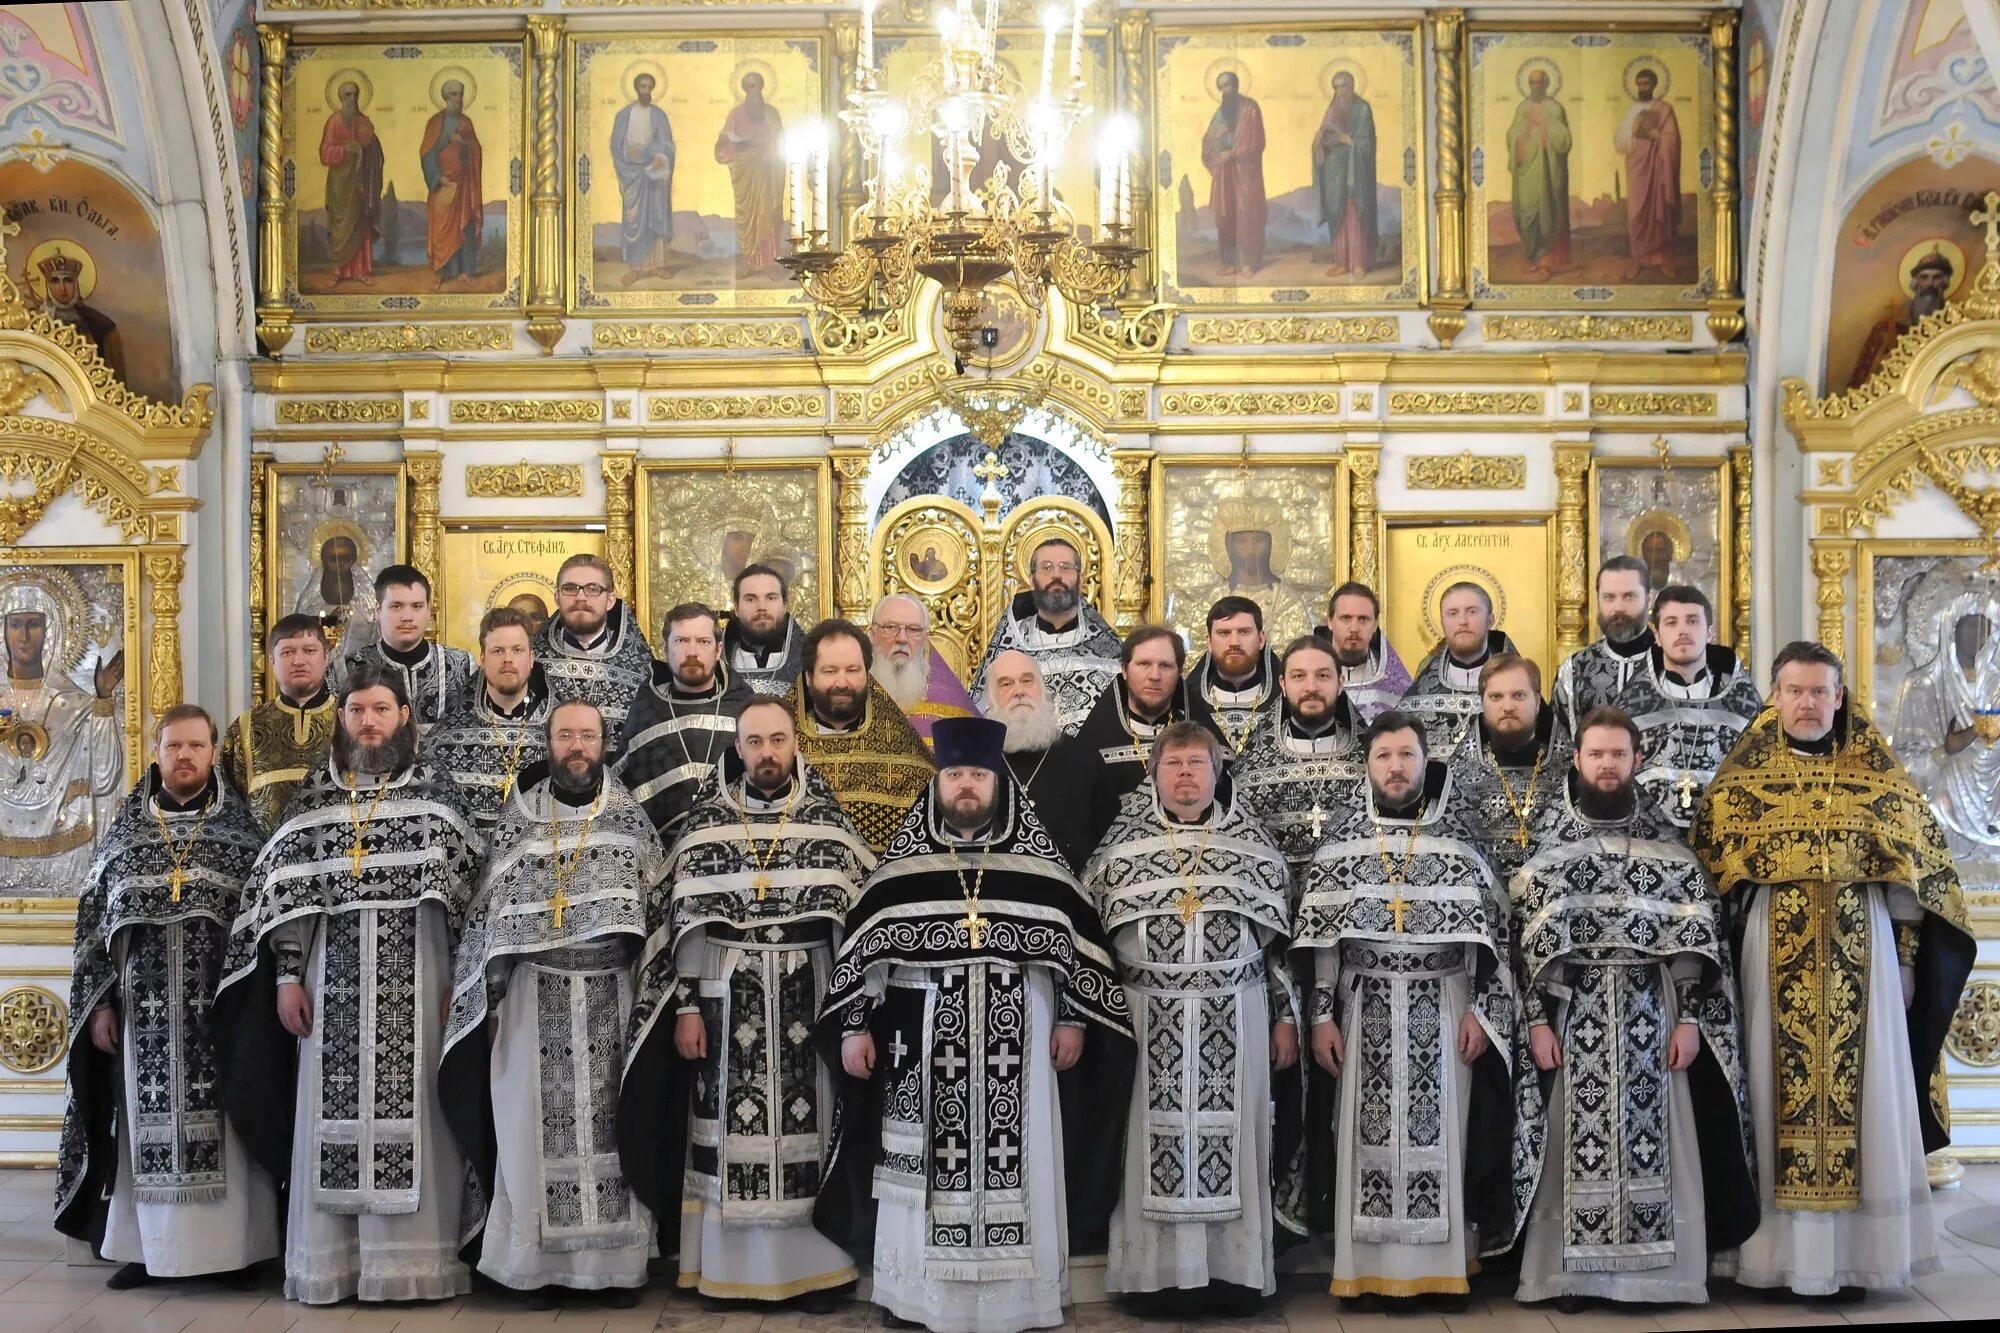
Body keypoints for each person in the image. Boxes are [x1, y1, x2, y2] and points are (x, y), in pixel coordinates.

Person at [813, 716, 1134, 1333]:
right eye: (955, 774)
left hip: (1022, 1046)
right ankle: (917, 1302)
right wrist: (854, 1026)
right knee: (921, 1183)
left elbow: (1077, 954)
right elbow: (863, 957)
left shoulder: (1041, 871)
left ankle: (1020, 1302)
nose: (966, 786)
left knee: (1027, 1164)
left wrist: (1073, 1018)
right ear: (938, 784)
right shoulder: (900, 873)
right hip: (923, 1050)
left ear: (999, 783)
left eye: (978, 776)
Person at [1691, 642, 1974, 1299]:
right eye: (1794, 690)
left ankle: (1857, 1259)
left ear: (1840, 696)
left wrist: (1906, 960)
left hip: (1865, 960)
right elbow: (1708, 880)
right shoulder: (1739, 782)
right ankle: (1773, 1258)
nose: (1808, 702)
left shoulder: (1877, 776)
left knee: (1867, 1093)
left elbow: (1915, 878)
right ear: (1775, 696)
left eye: (1820, 691)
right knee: (1765, 1094)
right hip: (1769, 962)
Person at [211, 661, 483, 1304]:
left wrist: (460, 985)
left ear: (404, 718)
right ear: (341, 718)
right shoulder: (313, 804)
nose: (368, 722)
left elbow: (472, 899)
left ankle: (411, 1266)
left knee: (422, 1112)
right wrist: (285, 978)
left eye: (381, 710)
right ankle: (334, 1264)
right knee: (325, 1117)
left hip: (422, 980)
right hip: (328, 987)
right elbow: (286, 903)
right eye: (357, 710)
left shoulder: (439, 799)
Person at [621, 696, 873, 1309]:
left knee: (811, 1126)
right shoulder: (706, 825)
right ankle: (729, 1272)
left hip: (809, 994)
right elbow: (681, 919)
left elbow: (860, 923)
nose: (767, 753)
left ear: (795, 744)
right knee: (725, 1129)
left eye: (778, 740)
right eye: (755, 742)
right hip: (724, 996)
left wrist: (853, 1016)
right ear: (738, 748)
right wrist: (683, 1007)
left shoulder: (829, 824)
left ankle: (816, 1267)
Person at [1508, 707, 1755, 1311]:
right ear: (1578, 759)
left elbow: (1695, 941)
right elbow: (1525, 940)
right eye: (1597, 754)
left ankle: (1656, 1277)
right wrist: (1538, 1021)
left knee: (1662, 1141)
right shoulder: (1549, 843)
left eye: (1619, 754)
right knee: (1571, 1142)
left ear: (1637, 759)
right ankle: (1574, 1278)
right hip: (1576, 1010)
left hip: (1653, 1007)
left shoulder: (1667, 846)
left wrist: (1692, 1019)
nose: (1608, 764)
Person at [440, 701, 665, 1309]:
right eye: (564, 735)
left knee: (610, 1132)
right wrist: (485, 1005)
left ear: (604, 742)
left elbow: (658, 915)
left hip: (610, 1001)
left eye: (587, 736)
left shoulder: (629, 821)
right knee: (529, 1135)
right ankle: (532, 1270)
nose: (576, 746)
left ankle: (613, 1271)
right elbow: (489, 920)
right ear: (548, 742)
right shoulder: (519, 823)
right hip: (531, 999)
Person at [1292, 710, 1514, 1311]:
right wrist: (1319, 1016)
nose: (1396, 767)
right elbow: (1322, 944)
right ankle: (1364, 1273)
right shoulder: (1341, 843)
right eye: (1384, 756)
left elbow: (1491, 940)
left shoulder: (1460, 839)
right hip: (1363, 1009)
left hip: (1444, 1005)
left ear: (1425, 761)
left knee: (1449, 1138)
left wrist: (1481, 1013)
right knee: (1362, 1139)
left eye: (1407, 756)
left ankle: (1444, 1271)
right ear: (1367, 765)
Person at [56, 706, 279, 1291]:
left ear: (212, 754)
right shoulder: (124, 839)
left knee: (228, 1126)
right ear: (156, 753)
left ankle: (237, 1251)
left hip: (221, 1016)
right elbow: (91, 927)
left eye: (196, 747)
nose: (185, 757)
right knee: (140, 1128)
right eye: (174, 746)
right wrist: (100, 1004)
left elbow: (264, 924)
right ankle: (148, 1249)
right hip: (141, 1016)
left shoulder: (243, 836)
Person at [1084, 723, 1301, 1314]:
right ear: (1154, 773)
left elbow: (1280, 947)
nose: (1185, 774)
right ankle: (1155, 1279)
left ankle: (1231, 1278)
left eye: (1197, 764)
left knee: (1237, 1139)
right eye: (1174, 763)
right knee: (1148, 1145)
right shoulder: (1117, 852)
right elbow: (1092, 947)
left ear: (1216, 772)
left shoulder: (1251, 849)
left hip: (1238, 1015)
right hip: (1145, 1020)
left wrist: (1286, 1018)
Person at [0, 573, 124, 894]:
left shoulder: (74, 704)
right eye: (15, 625)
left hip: (63, 840)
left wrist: (103, 700)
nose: (24, 636)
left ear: (50, 631)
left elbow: (105, 775)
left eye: (33, 624)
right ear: (2, 631)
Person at [1615, 585, 1763, 830]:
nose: (1683, 631)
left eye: (1692, 621)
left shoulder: (1742, 703)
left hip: (1724, 836)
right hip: (1652, 840)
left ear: (1709, 633)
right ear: (1658, 636)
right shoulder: (1632, 706)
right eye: (1671, 623)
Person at [786, 618, 934, 854]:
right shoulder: (780, 744)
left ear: (867, 674)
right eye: (830, 671)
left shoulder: (903, 750)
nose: (842, 682)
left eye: (853, 670)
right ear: (808, 677)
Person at [618, 601, 754, 839]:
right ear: (664, 648)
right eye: (681, 641)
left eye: (703, 641)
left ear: (718, 649)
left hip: (739, 844)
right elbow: (625, 795)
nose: (692, 652)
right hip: (662, 850)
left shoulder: (747, 708)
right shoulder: (643, 711)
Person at [1233, 635, 1363, 884]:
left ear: (1340, 683)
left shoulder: (1368, 762)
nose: (1311, 687)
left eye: (1323, 676)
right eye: (1298, 676)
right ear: (1282, 683)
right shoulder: (1250, 767)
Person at [973, 537, 1122, 736]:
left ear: (1081, 577)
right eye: (1046, 567)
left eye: (1065, 567)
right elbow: (980, 714)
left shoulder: (1108, 650)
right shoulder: (1009, 645)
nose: (1056, 575)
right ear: (1032, 580)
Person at [422, 607, 552, 834]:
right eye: (498, 651)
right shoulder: (447, 738)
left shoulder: (558, 730)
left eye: (517, 650)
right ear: (482, 658)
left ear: (531, 659)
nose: (508, 659)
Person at [983, 648, 1107, 873]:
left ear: (1042, 690)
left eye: (1027, 681)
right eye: (1005, 684)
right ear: (990, 699)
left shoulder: (1082, 757)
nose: (1018, 691)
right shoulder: (978, 761)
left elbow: (1107, 842)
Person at [1448, 654, 1567, 883]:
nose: (1508, 706)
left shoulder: (1568, 772)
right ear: (1482, 704)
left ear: (1538, 702)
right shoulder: (1456, 777)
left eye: (1519, 696)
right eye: (1496, 697)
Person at [1072, 624, 1208, 811]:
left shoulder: (1203, 740)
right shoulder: (1092, 743)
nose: (1154, 676)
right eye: (1144, 664)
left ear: (1179, 673)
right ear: (1125, 670)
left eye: (1165, 666)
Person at [222, 614, 337, 833]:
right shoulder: (245, 728)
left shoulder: (350, 720)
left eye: (309, 651)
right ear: (271, 661)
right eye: (287, 652)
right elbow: (228, 806)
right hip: (266, 859)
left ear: (326, 657)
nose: (298, 660)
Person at [331, 564, 474, 732]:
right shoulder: (347, 669)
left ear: (429, 610)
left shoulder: (462, 666)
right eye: (396, 606)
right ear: (378, 610)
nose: (407, 617)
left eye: (417, 606)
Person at [534, 553, 656, 747]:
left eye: (593, 589)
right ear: (557, 597)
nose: (580, 597)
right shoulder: (532, 665)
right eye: (570, 588)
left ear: (610, 599)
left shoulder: (641, 670)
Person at [1400, 581, 1519, 757]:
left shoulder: (1517, 680)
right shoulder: (1422, 686)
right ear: (1442, 622)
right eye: (1453, 613)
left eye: (1472, 612)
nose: (1463, 622)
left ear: (1490, 620)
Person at [1551, 556, 1655, 737]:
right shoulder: (1575, 670)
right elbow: (1560, 745)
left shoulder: (1672, 664)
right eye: (1609, 597)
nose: (1618, 608)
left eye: (1629, 596)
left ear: (1649, 599)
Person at [869, 593, 977, 748]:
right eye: (891, 627)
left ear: (925, 638)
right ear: (872, 634)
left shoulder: (951, 707)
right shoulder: (852, 693)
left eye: (913, 629)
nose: (902, 638)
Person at [1188, 595, 1281, 763]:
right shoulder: (1188, 702)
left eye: (1244, 632)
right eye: (1224, 633)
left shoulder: (1283, 701)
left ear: (1260, 640)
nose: (1234, 642)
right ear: (1208, 642)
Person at [714, 70, 786, 277]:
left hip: (768, 172)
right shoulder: (736, 114)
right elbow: (726, 139)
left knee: (769, 214)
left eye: (755, 86)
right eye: (748, 87)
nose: (752, 91)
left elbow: (780, 142)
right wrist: (725, 141)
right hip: (745, 173)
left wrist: (769, 151)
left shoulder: (771, 113)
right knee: (748, 217)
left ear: (762, 88)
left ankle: (770, 262)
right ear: (744, 90)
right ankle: (749, 261)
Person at [1851, 248, 1955, 388]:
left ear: (1944, 283)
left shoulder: (1954, 324)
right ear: (1915, 283)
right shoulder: (1888, 327)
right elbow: (1864, 381)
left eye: (1936, 278)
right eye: (1924, 277)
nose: (1930, 284)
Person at [1615, 66, 1681, 281]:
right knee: (1636, 213)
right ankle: (1639, 258)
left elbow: (1672, 138)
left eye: (1646, 84)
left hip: (1657, 167)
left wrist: (1658, 136)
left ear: (1653, 85)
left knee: (1657, 212)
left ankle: (1662, 258)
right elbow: (1620, 141)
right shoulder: (1633, 110)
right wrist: (1633, 132)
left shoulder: (1664, 109)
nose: (1643, 87)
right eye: (1640, 84)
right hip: (1637, 167)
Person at [1507, 66, 1572, 279]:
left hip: (1547, 172)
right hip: (1526, 173)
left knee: (1547, 214)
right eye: (1532, 82)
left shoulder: (1554, 108)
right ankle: (1535, 258)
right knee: (1526, 213)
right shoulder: (1522, 108)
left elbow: (1563, 140)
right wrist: (1526, 129)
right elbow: (1513, 136)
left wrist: (1543, 124)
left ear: (1546, 84)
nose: (1535, 86)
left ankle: (1546, 263)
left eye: (1539, 82)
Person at [611, 72, 676, 283]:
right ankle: (636, 267)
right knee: (635, 218)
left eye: (649, 86)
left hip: (653, 173)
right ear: (636, 88)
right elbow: (616, 145)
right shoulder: (624, 115)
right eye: (642, 86)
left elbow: (667, 144)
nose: (646, 90)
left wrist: (660, 156)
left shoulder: (659, 115)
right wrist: (629, 154)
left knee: (655, 216)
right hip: (633, 174)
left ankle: (658, 265)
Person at [1201, 71, 1268, 277]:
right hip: (1225, 175)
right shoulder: (1220, 112)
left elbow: (1256, 141)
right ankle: (1229, 261)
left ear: (1236, 86)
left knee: (1247, 214)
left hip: (1245, 173)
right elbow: (1207, 143)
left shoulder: (1250, 108)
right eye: (1221, 87)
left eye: (1228, 86)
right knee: (1226, 214)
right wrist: (1215, 141)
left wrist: (1232, 153)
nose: (1224, 91)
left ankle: (1248, 262)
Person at [1312, 70, 1378, 278]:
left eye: (1343, 86)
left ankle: (1358, 263)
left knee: (1354, 213)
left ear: (1352, 86)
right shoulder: (1332, 109)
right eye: (1336, 87)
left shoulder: (1362, 109)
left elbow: (1367, 143)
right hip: (1335, 172)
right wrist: (1319, 142)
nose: (1340, 92)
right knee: (1337, 214)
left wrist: (1346, 139)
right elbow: (1325, 136)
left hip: (1355, 172)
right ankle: (1342, 261)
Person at [319, 80, 383, 286]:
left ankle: (361, 270)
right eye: (348, 95)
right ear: (341, 98)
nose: (352, 99)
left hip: (360, 183)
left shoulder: (364, 121)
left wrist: (370, 147)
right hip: (340, 184)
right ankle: (338, 270)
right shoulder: (334, 122)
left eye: (355, 94)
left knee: (360, 225)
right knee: (340, 228)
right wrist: (347, 149)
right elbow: (325, 153)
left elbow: (375, 152)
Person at [420, 78, 483, 286]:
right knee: (442, 227)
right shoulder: (435, 123)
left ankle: (465, 271)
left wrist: (464, 143)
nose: (459, 98)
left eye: (461, 94)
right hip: (443, 182)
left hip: (463, 184)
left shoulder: (466, 123)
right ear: (446, 97)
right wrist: (438, 177)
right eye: (455, 94)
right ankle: (442, 271)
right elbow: (427, 154)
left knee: (464, 226)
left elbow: (475, 149)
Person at [1320, 581, 1410, 724]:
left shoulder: (1395, 682)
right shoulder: (1308, 675)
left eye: (1363, 619)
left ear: (1375, 624)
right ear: (1330, 621)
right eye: (1346, 618)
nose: (1354, 628)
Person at [32, 247, 124, 377]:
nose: (62, 288)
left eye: (68, 281)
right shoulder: (37, 320)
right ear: (47, 286)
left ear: (76, 284)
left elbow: (113, 372)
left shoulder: (99, 324)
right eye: (55, 281)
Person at [725, 563, 808, 697]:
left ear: (785, 605)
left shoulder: (809, 656)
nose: (762, 607)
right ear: (736, 607)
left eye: (771, 598)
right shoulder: (718, 661)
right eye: (751, 599)